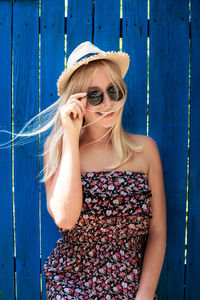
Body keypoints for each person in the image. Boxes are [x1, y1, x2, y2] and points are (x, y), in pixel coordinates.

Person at [42, 41, 166, 300]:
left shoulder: (145, 151)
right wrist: (72, 137)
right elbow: (65, 219)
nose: (108, 102)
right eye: (95, 95)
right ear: (76, 101)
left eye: (114, 91)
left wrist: (144, 295)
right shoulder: (57, 150)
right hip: (71, 286)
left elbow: (157, 232)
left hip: (133, 288)